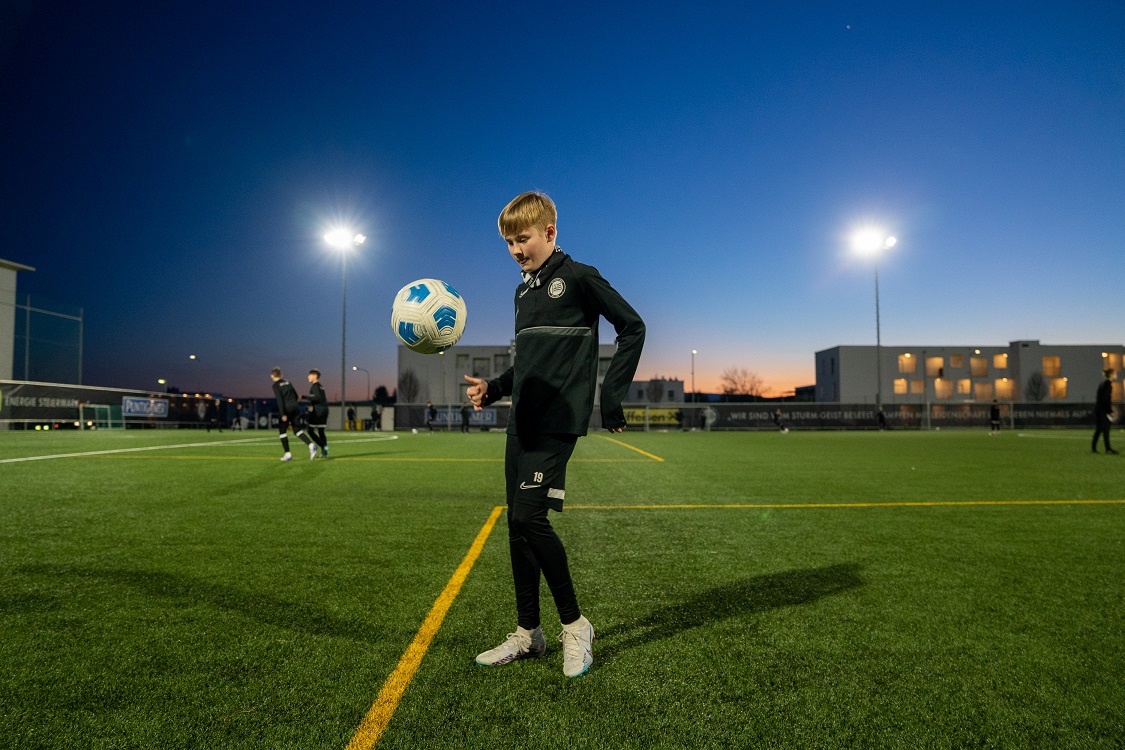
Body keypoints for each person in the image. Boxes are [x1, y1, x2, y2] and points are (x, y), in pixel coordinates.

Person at [465, 191, 645, 678]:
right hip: (520, 423)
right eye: (508, 243)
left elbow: (633, 327)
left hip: (558, 421)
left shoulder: (580, 277)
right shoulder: (522, 293)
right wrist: (493, 389)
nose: (515, 251)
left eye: (522, 239)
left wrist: (611, 396)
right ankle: (529, 632)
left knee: (530, 517)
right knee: (517, 525)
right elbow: (526, 365)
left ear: (549, 232)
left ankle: (576, 625)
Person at [271, 368, 314, 461]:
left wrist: (283, 414)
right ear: (281, 375)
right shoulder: (288, 382)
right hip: (296, 408)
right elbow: (296, 395)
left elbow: (279, 400)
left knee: (282, 432)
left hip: (286, 409)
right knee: (297, 430)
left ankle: (288, 454)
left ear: (272, 376)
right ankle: (311, 445)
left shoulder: (276, 385)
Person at [1092, 368, 1117, 454]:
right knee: (1105, 429)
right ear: (1111, 375)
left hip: (1098, 409)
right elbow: (1105, 399)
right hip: (1102, 410)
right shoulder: (1108, 384)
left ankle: (1093, 448)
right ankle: (1108, 449)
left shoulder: (1102, 384)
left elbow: (1100, 398)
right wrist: (1110, 411)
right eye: (1115, 374)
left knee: (1099, 429)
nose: (1116, 375)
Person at [306, 369, 330, 459]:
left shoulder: (315, 386)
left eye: (309, 375)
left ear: (315, 376)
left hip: (318, 411)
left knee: (310, 430)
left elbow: (317, 397)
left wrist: (304, 397)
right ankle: (325, 452)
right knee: (321, 431)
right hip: (324, 409)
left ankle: (323, 448)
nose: (308, 377)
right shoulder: (320, 386)